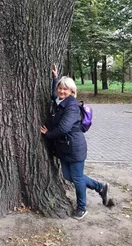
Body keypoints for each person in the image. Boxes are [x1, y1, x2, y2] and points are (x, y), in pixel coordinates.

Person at [40, 64, 109, 220]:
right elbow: (53, 95)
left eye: (65, 89)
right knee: (69, 176)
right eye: (60, 88)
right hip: (65, 147)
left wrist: (48, 134)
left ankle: (82, 208)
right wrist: (55, 78)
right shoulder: (60, 101)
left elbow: (64, 128)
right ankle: (100, 187)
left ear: (72, 91)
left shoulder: (71, 107)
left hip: (74, 148)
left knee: (77, 178)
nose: (61, 91)